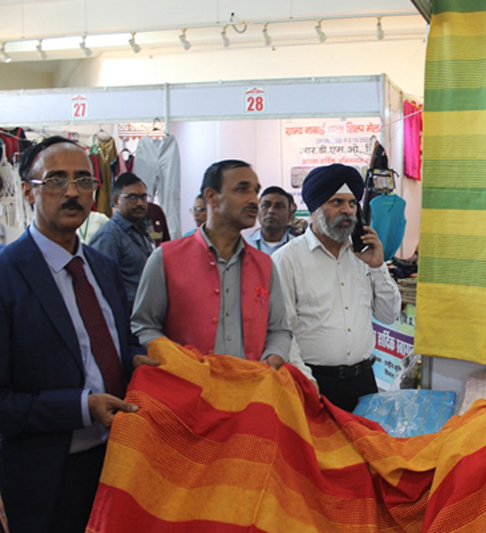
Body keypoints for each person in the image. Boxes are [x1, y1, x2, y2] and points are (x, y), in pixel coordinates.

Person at [0, 136, 157, 533]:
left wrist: (136, 358)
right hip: (47, 476)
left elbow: (106, 346)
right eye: (55, 180)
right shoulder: (6, 276)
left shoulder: (102, 268)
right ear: (27, 192)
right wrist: (81, 406)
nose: (72, 192)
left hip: (117, 464)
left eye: (84, 181)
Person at [132, 160, 309, 375]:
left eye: (255, 191)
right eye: (242, 190)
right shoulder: (166, 258)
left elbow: (280, 329)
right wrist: (173, 358)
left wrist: (272, 359)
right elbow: (144, 325)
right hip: (188, 389)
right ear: (211, 197)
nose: (253, 200)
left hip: (251, 388)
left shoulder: (264, 265)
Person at [273, 163, 401, 412]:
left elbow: (389, 314)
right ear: (315, 208)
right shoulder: (287, 260)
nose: (347, 211)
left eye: (352, 204)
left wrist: (378, 266)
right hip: (312, 383)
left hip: (363, 383)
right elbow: (282, 331)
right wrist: (307, 384)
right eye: (336, 203)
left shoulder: (363, 256)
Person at [89, 172, 156, 312]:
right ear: (116, 200)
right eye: (132, 197)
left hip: (145, 317)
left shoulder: (140, 231)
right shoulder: (109, 236)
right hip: (126, 320)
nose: (139, 203)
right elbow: (103, 289)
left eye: (143, 197)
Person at [244, 186, 295, 256]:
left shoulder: (298, 247)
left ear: (290, 215)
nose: (271, 211)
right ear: (257, 211)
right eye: (265, 205)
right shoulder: (244, 244)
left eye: (279, 206)